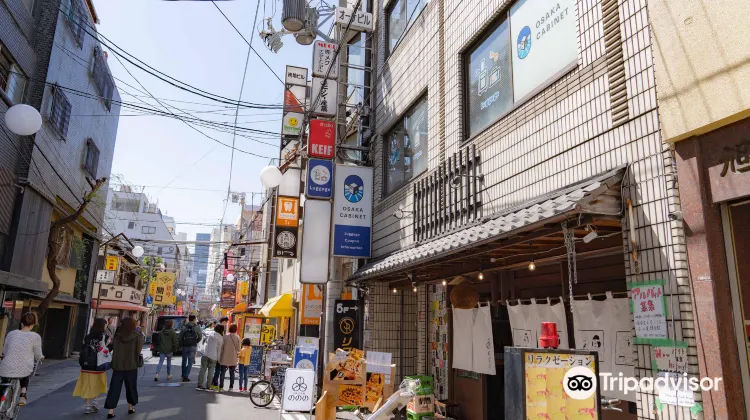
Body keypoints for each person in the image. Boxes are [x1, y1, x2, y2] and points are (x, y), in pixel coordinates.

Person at [0, 312, 43, 406]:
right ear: (33, 324)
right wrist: (41, 357)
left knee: (4, 381)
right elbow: (38, 355)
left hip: (6, 367)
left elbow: (4, 351)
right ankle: (22, 395)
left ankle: (1, 396)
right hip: (23, 369)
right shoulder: (35, 337)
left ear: (22, 323)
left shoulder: (11, 334)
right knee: (25, 375)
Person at [104, 317, 143, 419]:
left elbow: (110, 347)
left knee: (114, 388)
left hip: (118, 366)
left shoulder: (117, 336)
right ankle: (131, 407)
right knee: (131, 387)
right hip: (131, 365)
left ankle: (110, 411)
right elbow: (138, 351)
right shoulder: (137, 337)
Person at [73, 318, 109, 414]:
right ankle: (95, 402)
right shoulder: (105, 337)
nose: (106, 326)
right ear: (102, 326)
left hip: (87, 365)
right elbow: (106, 350)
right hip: (99, 365)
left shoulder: (87, 337)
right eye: (105, 325)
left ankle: (87, 406)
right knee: (98, 384)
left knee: (87, 385)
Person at [197, 324, 224, 392]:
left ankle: (199, 385)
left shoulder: (209, 332)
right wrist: (218, 359)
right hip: (213, 356)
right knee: (211, 371)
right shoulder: (220, 338)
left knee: (202, 370)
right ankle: (208, 386)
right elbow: (219, 350)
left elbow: (203, 331)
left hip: (205, 354)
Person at [179, 314, 202, 382]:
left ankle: (183, 374)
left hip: (185, 345)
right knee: (190, 361)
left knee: (184, 361)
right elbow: (200, 336)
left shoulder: (184, 326)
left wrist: (181, 344)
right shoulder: (196, 327)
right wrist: (196, 341)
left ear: (189, 319)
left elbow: (180, 337)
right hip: (193, 346)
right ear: (194, 319)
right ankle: (186, 376)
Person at [217, 324, 241, 392]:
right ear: (236, 330)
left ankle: (221, 387)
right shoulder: (237, 337)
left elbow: (221, 347)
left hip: (224, 356)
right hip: (233, 357)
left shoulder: (225, 336)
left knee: (222, 373)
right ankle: (231, 387)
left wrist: (220, 355)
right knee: (232, 373)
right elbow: (239, 349)